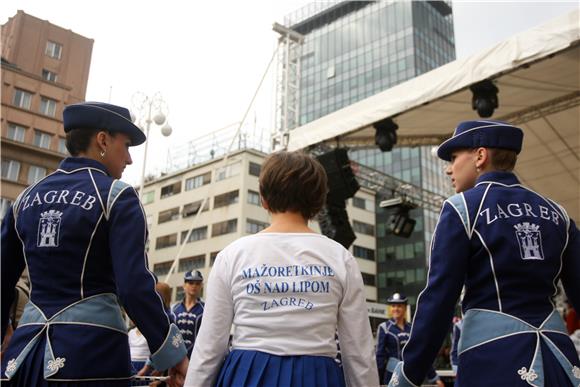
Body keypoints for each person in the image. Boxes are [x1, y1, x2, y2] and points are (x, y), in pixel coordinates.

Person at [0, 102, 188, 387]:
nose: (129, 159)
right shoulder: (117, 196)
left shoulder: (25, 199)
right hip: (91, 357)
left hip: (23, 359)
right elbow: (134, 288)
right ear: (102, 140)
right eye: (125, 146)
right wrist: (174, 354)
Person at [388, 120, 580, 386]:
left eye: (454, 157)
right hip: (561, 362)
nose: (448, 168)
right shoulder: (559, 214)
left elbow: (439, 299)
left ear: (480, 155)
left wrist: (409, 374)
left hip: (493, 360)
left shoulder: (461, 209)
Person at [185, 150, 379, 387]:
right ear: (319, 202)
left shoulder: (232, 255)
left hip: (247, 373)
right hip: (318, 376)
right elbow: (359, 352)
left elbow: (209, 347)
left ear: (263, 198)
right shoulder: (341, 258)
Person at [375, 293, 443, 386]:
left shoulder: (412, 329)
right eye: (393, 306)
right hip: (392, 375)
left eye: (399, 306)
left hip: (410, 375)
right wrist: (377, 380)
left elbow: (421, 354)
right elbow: (380, 356)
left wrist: (434, 377)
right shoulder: (384, 328)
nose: (396, 309)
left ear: (405, 308)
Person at [172, 270, 204, 358]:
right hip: (175, 358)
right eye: (190, 283)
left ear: (201, 286)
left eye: (197, 283)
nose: (194, 286)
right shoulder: (174, 309)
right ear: (184, 285)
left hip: (196, 358)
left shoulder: (205, 309)